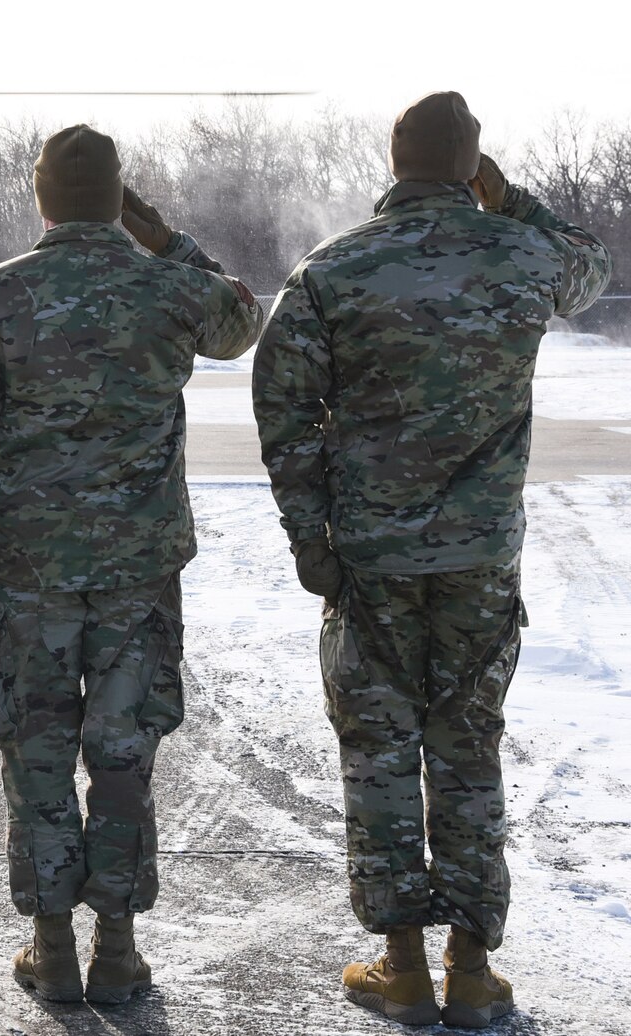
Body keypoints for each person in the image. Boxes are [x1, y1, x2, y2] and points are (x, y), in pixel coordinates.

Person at [253, 91, 610, 1028]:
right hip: (480, 559)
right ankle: (472, 966)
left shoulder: (333, 272)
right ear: (471, 165)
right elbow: (595, 267)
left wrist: (310, 540)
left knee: (377, 749)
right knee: (467, 747)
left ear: (394, 160)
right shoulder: (525, 253)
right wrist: (511, 199)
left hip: (369, 559)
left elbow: (283, 416)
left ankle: (401, 963)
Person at [0, 124, 262, 1005]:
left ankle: (51, 944)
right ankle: (116, 946)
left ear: (40, 199)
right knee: (121, 755)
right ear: (119, 201)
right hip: (139, 570)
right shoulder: (167, 285)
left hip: (30, 570)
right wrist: (166, 237)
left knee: (35, 751)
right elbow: (242, 319)